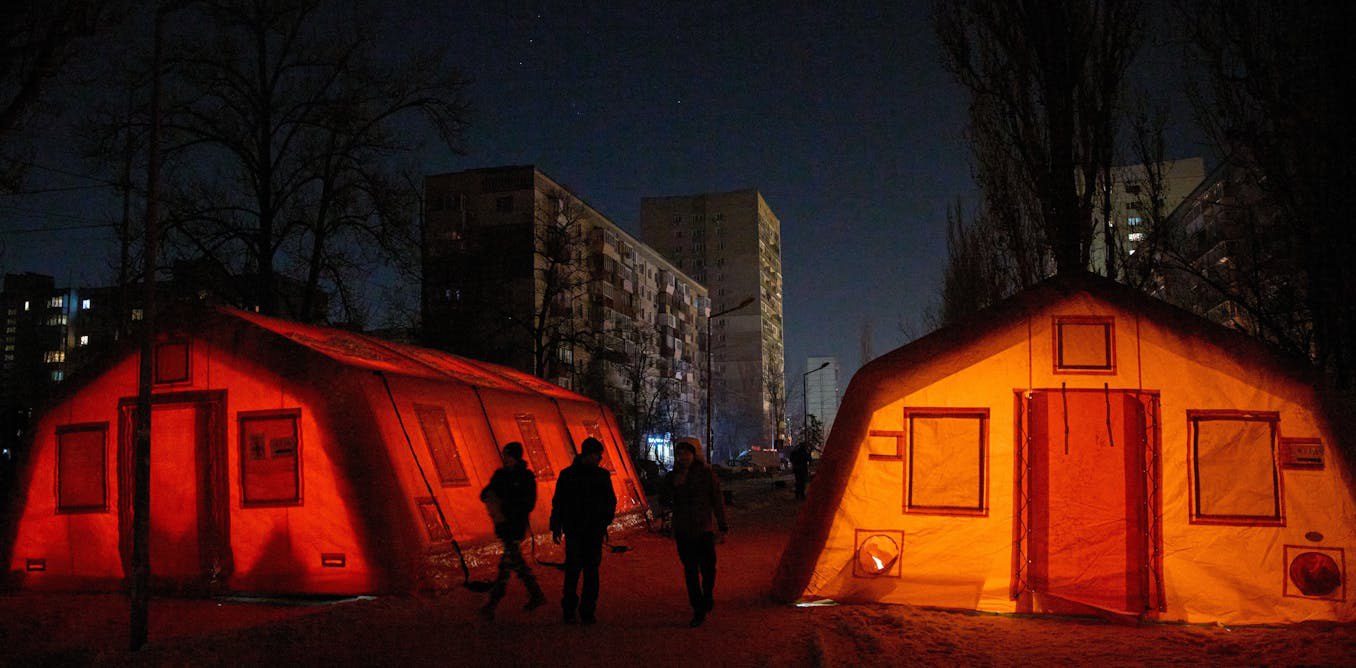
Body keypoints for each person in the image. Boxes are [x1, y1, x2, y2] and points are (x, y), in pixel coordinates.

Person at [660, 437, 728, 627]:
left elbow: (717, 500)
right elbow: (664, 500)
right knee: (690, 570)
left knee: (708, 568)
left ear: (694, 454)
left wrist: (722, 524)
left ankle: (707, 594)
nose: (682, 457)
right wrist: (671, 490)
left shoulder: (706, 475)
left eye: (686, 453)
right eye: (679, 453)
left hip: (703, 529)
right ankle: (698, 608)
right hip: (683, 529)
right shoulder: (672, 477)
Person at [550, 437, 617, 625]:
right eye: (597, 455)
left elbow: (559, 502)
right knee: (585, 572)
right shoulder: (597, 476)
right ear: (588, 454)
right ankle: (581, 610)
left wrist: (557, 525)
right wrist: (603, 521)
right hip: (586, 530)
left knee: (579, 571)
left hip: (581, 530)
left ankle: (576, 610)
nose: (600, 458)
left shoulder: (569, 474)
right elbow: (559, 502)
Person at [478, 441, 546, 620]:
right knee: (513, 562)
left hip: (515, 525)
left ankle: (492, 603)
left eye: (508, 455)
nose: (505, 458)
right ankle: (535, 594)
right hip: (503, 524)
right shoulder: (501, 475)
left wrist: (509, 506)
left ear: (516, 457)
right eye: (504, 455)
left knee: (507, 565)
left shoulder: (525, 477)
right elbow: (485, 493)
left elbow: (529, 503)